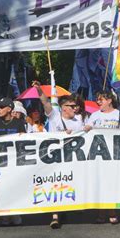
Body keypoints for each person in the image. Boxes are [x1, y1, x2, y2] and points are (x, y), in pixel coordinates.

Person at [35, 83, 85, 229]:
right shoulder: (54, 116)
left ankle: (69, 206)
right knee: (55, 183)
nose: (75, 108)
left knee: (70, 182)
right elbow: (45, 101)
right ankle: (55, 215)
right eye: (72, 106)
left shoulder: (79, 120)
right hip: (55, 158)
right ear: (64, 107)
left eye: (76, 106)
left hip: (72, 158)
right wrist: (39, 89)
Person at [84, 91, 120, 224]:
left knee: (111, 183)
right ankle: (101, 212)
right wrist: (85, 129)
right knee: (100, 182)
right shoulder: (94, 115)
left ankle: (111, 211)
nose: (98, 102)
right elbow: (87, 128)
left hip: (114, 154)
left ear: (109, 100)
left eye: (101, 99)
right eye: (97, 100)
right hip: (99, 155)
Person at [0, 98, 26, 225]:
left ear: (9, 109)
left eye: (2, 107)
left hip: (14, 161)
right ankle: (4, 214)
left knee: (14, 184)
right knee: (1, 186)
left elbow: (26, 140)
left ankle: (15, 212)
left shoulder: (18, 123)